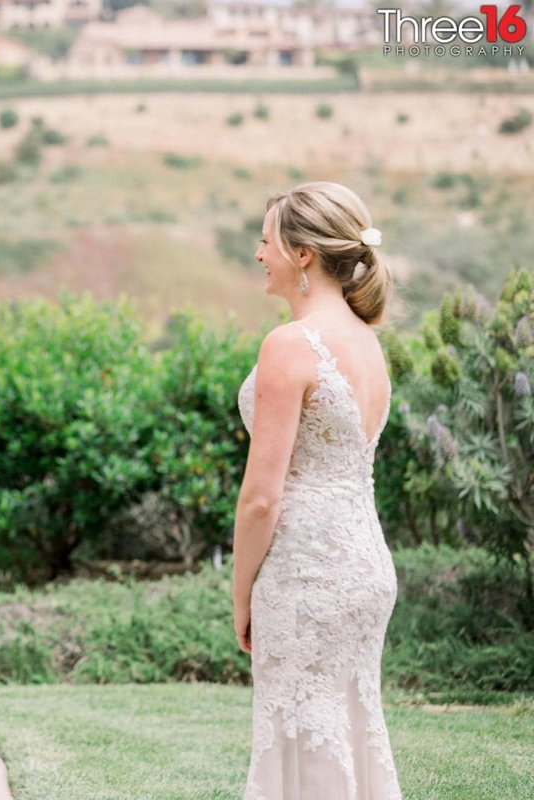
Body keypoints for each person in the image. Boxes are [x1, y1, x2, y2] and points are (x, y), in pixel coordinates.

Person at [232, 182, 402, 799]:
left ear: (302, 254)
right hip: (365, 566)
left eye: (265, 237)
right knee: (350, 728)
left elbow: (260, 497)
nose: (259, 253)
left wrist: (240, 594)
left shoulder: (290, 346)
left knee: (303, 735)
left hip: (306, 571)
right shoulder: (368, 343)